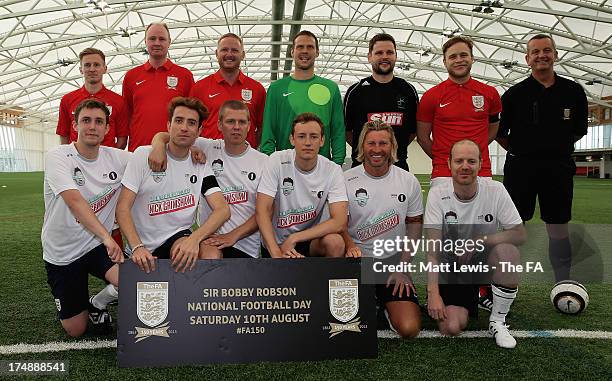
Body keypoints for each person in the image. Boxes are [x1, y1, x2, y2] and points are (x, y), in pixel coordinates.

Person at [496, 34, 588, 283]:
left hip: (558, 168)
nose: (541, 55)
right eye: (535, 52)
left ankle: (562, 283)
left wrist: (553, 147)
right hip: (520, 168)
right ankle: (505, 285)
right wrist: (523, 150)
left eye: (547, 50)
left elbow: (579, 130)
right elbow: (500, 133)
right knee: (514, 229)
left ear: (556, 55)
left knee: (558, 228)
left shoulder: (574, 91)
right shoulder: (514, 95)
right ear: (527, 59)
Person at [424, 139, 526, 349]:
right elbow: (432, 251)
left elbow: (519, 234)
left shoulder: (495, 190)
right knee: (451, 327)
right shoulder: (437, 194)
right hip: (452, 267)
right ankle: (479, 295)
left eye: (471, 161)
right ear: (449, 163)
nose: (465, 166)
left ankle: (497, 321)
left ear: (480, 164)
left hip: (482, 259)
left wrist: (481, 240)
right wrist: (433, 294)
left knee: (508, 252)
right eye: (459, 160)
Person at [42, 99, 130, 337]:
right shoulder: (58, 156)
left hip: (94, 245)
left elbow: (151, 155)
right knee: (76, 330)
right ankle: (75, 304)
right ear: (74, 125)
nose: (92, 126)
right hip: (63, 253)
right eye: (86, 120)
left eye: (99, 121)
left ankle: (97, 303)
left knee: (132, 284)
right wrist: (108, 237)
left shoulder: (119, 158)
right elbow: (75, 201)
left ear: (107, 129)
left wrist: (165, 142)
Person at [115, 97, 229, 273]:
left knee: (211, 254)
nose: (184, 127)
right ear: (168, 126)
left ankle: (190, 299)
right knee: (121, 289)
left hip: (178, 238)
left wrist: (194, 239)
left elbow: (222, 210)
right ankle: (108, 294)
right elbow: (122, 207)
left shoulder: (199, 163)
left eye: (191, 123)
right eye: (178, 120)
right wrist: (137, 247)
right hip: (143, 246)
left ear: (199, 131)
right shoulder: (143, 155)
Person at [148, 100, 267, 258]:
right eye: (230, 121)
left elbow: (265, 211)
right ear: (219, 125)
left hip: (244, 245)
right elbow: (170, 136)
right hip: (208, 241)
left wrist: (233, 236)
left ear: (249, 125)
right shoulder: (207, 147)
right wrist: (158, 145)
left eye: (242, 122)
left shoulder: (263, 162)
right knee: (208, 260)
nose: (236, 127)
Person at [341, 120, 423, 338]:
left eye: (383, 143)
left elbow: (415, 225)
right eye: (371, 143)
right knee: (345, 325)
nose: (377, 149)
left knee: (409, 328)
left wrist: (404, 266)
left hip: (392, 264)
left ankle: (386, 306)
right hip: (358, 263)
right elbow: (339, 226)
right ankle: (371, 298)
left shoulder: (408, 181)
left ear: (392, 146)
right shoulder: (346, 180)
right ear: (362, 146)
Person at [256, 112, 348, 258]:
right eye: (301, 136)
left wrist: (295, 238)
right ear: (292, 139)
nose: (307, 142)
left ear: (322, 140)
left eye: (314, 136)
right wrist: (276, 254)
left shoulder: (333, 170)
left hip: (307, 240)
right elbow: (262, 211)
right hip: (276, 243)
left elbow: (340, 221)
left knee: (335, 242)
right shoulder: (276, 161)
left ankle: (322, 281)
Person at [416, 36, 501, 186]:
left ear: (472, 58)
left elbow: (493, 130)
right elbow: (423, 137)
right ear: (445, 61)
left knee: (483, 211)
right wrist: (443, 159)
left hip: (481, 171)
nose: (459, 60)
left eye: (463, 55)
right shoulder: (431, 96)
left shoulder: (490, 93)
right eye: (453, 56)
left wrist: (474, 152)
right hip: (443, 173)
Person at [259, 30, 345, 165]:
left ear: (317, 52)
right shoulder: (276, 89)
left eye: (310, 47)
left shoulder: (331, 88)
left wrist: (337, 164)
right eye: (300, 47)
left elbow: (338, 131)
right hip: (286, 168)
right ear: (292, 52)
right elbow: (268, 132)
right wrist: (271, 163)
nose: (305, 51)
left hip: (322, 168)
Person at [344, 33, 419, 171]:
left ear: (395, 56)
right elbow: (347, 132)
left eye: (389, 52)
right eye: (379, 52)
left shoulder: (408, 90)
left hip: (398, 167)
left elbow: (413, 132)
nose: (385, 56)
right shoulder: (355, 92)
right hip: (362, 169)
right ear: (369, 57)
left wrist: (395, 150)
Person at [122, 22, 194, 152]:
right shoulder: (131, 76)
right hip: (139, 150)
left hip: (174, 151)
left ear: (169, 42)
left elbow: (192, 116)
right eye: (152, 38)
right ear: (145, 41)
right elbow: (127, 115)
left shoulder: (184, 76)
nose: (157, 43)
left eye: (162, 39)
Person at [189, 33, 266, 148]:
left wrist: (249, 147)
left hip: (244, 159)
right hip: (208, 158)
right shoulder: (199, 88)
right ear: (216, 53)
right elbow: (190, 123)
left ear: (243, 55)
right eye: (224, 50)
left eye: (234, 50)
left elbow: (262, 128)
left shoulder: (257, 89)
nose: (229, 54)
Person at [56, 48, 128, 149]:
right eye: (87, 65)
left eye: (96, 65)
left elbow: (122, 138)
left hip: (107, 163)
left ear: (105, 68)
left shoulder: (119, 101)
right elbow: (64, 135)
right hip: (76, 162)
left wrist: (111, 160)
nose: (92, 69)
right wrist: (70, 158)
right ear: (81, 69)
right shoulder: (67, 100)